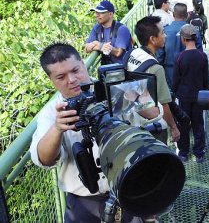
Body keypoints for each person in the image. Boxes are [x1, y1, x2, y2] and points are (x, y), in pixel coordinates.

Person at [30, 43, 158, 222]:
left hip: (130, 189)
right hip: (85, 202)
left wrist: (131, 93)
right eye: (61, 77)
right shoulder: (53, 112)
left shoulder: (113, 88)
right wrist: (57, 128)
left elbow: (154, 115)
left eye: (75, 70)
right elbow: (43, 159)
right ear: (51, 80)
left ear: (83, 63)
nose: (72, 79)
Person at [126, 16, 180, 145]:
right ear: (153, 39)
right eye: (162, 32)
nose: (165, 35)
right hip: (152, 123)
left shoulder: (133, 53)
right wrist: (173, 127)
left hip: (132, 117)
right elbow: (164, 104)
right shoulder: (155, 68)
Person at [172, 24, 209, 163]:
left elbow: (176, 79)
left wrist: (175, 93)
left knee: (183, 123)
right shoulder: (202, 56)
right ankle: (199, 153)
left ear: (183, 39)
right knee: (198, 124)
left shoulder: (179, 57)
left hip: (184, 96)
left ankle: (183, 152)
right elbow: (206, 79)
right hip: (199, 96)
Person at [157, 3, 202, 88]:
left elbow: (160, 55)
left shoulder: (165, 31)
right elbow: (199, 53)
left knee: (172, 94)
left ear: (173, 14)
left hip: (170, 70)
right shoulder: (194, 30)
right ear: (187, 15)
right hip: (190, 69)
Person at [85, 0, 132, 65]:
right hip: (106, 68)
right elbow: (87, 48)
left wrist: (98, 45)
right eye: (96, 12)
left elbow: (118, 53)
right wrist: (99, 45)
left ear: (110, 14)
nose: (97, 15)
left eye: (101, 12)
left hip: (122, 69)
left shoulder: (121, 29)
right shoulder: (97, 27)